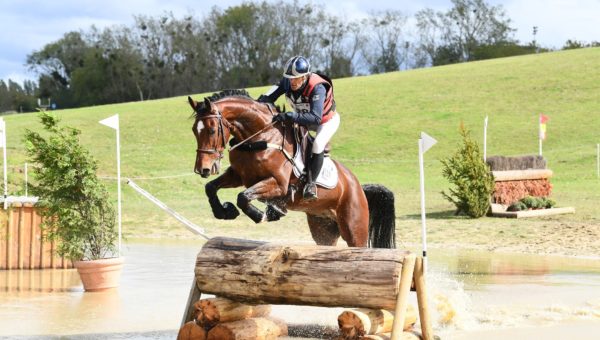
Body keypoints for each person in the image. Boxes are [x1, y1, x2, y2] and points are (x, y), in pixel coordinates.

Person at [258, 56, 340, 201]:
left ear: (306, 76)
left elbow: (315, 118)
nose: (292, 82)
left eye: (296, 78)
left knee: (318, 144)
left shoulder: (317, 87)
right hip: (302, 118)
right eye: (290, 78)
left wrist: (289, 116)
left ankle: (311, 184)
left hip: (326, 120)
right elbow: (266, 98)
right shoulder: (287, 82)